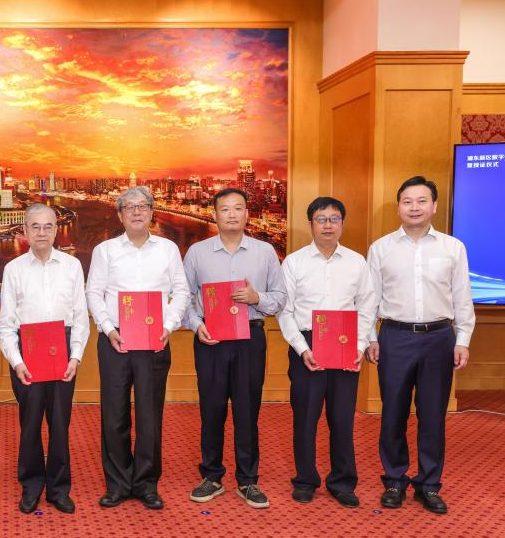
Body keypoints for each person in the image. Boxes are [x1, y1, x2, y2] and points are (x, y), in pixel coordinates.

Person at [365, 176, 475, 515]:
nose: (414, 207)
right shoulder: (381, 248)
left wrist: (463, 339)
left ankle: (429, 484)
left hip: (439, 338)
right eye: (407, 201)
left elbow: (462, 297)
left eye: (422, 201)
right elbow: (369, 299)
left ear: (434, 206)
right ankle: (394, 480)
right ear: (398, 206)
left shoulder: (453, 248)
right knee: (393, 413)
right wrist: (370, 337)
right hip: (394, 336)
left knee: (433, 415)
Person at [86, 186, 189, 510]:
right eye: (129, 207)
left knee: (149, 416)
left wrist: (168, 326)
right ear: (119, 215)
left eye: (143, 206)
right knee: (114, 415)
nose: (136, 212)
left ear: (152, 212)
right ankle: (117, 484)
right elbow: (94, 293)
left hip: (154, 342)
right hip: (115, 340)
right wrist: (108, 328)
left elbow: (182, 292)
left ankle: (146, 484)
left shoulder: (168, 249)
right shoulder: (105, 250)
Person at [184, 188, 287, 509]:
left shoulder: (265, 252)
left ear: (246, 214)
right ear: (214, 214)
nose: (231, 214)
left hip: (250, 339)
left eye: (238, 208)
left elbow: (280, 298)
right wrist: (195, 324)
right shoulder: (197, 252)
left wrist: (257, 298)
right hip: (210, 339)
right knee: (211, 410)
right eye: (225, 209)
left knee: (247, 411)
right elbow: (184, 297)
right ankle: (212, 475)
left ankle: (247, 479)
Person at [277, 197, 375, 508]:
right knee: (305, 418)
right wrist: (302, 348)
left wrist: (359, 346)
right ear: (311, 224)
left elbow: (367, 307)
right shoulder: (294, 262)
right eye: (321, 219)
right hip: (307, 344)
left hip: (345, 344)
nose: (328, 225)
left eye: (334, 219)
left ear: (342, 224)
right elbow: (284, 311)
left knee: (342, 418)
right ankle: (305, 480)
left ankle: (342, 482)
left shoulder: (357, 262)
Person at [0, 203, 89, 514]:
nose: (41, 232)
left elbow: (81, 317)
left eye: (48, 226)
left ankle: (59, 488)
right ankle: (31, 485)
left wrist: (76, 356)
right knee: (30, 424)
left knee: (60, 424)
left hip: (63, 351)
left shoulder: (71, 266)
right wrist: (16, 361)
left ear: (56, 229)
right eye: (35, 226)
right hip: (27, 353)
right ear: (25, 230)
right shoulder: (14, 269)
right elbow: (6, 324)